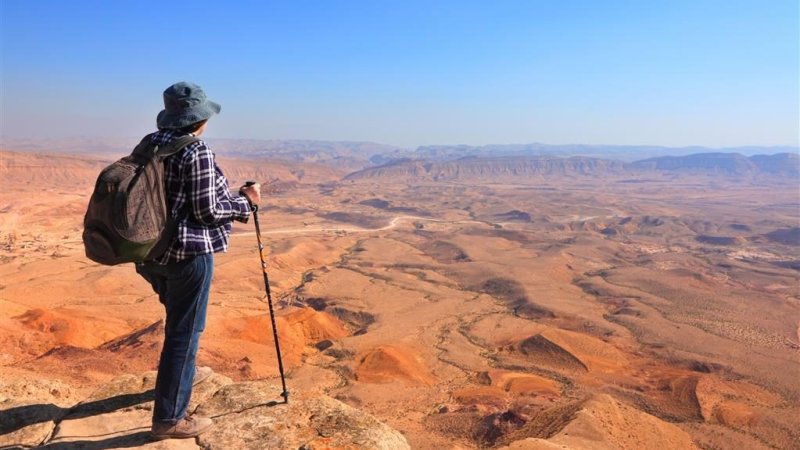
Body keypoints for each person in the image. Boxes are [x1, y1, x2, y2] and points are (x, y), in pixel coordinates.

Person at [135, 81, 261, 439]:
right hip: (187, 255)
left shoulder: (149, 143)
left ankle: (179, 380)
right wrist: (247, 203)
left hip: (149, 254)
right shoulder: (196, 151)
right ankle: (170, 418)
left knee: (178, 324)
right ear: (199, 119)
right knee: (185, 332)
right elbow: (208, 211)